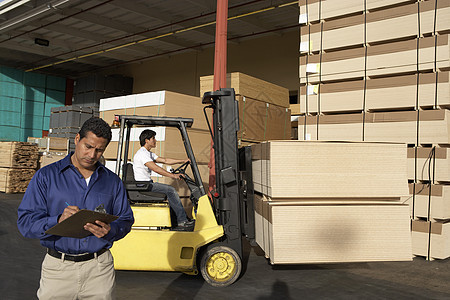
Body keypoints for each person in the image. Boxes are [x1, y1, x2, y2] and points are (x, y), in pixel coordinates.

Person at [17, 117, 134, 300]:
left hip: (99, 270)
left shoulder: (113, 182)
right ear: (77, 139)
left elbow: (126, 219)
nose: (92, 155)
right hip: (58, 270)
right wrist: (57, 220)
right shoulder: (46, 177)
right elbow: (25, 223)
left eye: (99, 150)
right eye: (88, 146)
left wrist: (112, 229)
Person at [133, 129, 194, 230]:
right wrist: (173, 176)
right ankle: (182, 221)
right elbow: (156, 168)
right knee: (171, 190)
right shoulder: (142, 154)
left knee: (169, 192)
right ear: (147, 140)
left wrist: (183, 160)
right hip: (143, 185)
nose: (155, 140)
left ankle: (175, 221)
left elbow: (165, 160)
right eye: (153, 138)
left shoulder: (148, 153)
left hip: (147, 184)